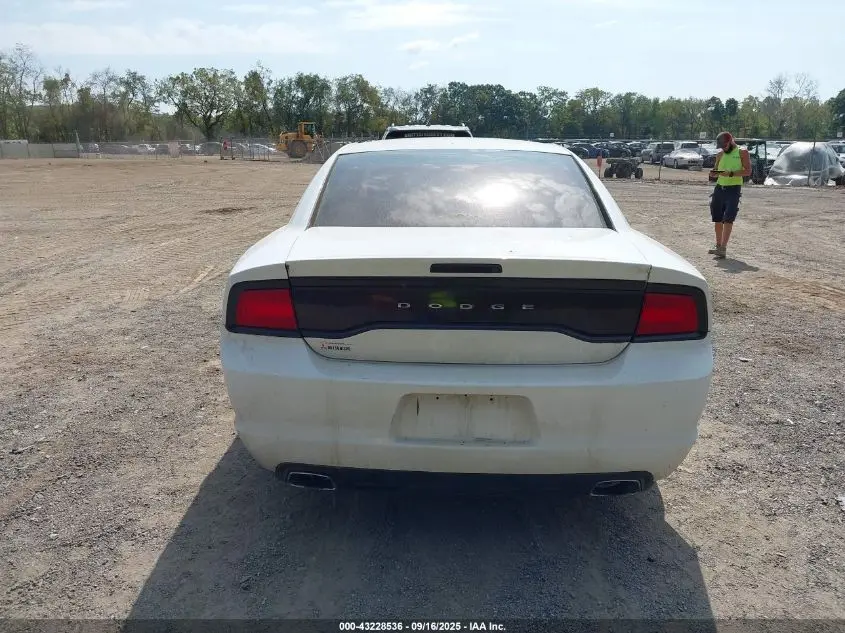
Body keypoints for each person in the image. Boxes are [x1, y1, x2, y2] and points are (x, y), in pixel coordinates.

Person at [708, 131, 751, 259]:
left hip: (733, 189)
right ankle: (718, 245)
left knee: (728, 218)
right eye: (721, 146)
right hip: (719, 188)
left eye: (725, 146)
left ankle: (723, 248)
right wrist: (713, 174)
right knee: (717, 218)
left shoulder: (742, 152)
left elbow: (747, 171)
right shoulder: (720, 154)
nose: (723, 148)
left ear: (731, 141)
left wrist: (731, 174)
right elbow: (715, 171)